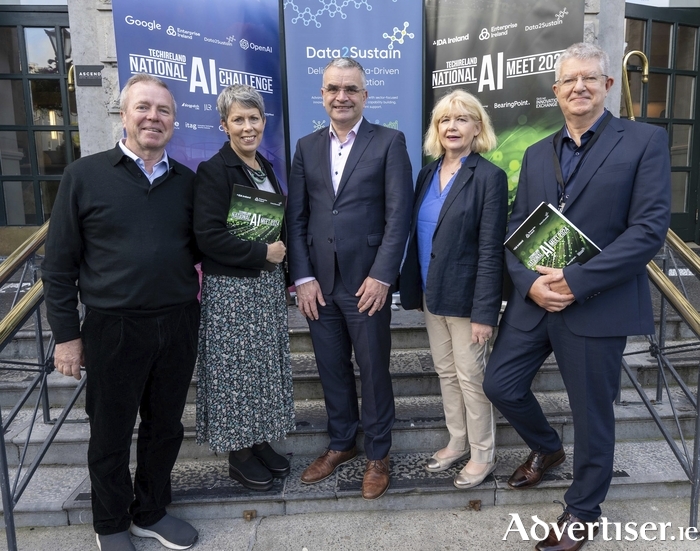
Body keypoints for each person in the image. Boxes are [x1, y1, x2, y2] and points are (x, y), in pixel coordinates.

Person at [482, 42, 671, 551]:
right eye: (569, 81)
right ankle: (548, 449)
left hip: (596, 302)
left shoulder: (645, 141)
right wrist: (530, 284)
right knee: (499, 384)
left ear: (608, 85)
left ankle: (583, 511)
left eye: (590, 78)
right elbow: (518, 230)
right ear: (557, 90)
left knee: (592, 415)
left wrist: (576, 280)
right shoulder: (537, 152)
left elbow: (648, 230)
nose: (579, 87)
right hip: (535, 300)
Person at [42, 73, 200, 551]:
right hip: (113, 327)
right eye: (144, 108)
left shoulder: (188, 183)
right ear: (123, 114)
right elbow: (58, 265)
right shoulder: (84, 175)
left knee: (165, 426)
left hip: (177, 322)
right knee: (110, 432)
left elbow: (208, 245)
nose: (153, 117)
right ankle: (110, 524)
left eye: (163, 110)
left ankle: (150, 512)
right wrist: (67, 337)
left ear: (174, 121)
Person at [287, 57, 413, 500]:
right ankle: (342, 443)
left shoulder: (390, 142)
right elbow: (297, 217)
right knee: (330, 367)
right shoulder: (305, 146)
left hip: (366, 283)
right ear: (322, 95)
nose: (341, 97)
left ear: (365, 95)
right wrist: (301, 277)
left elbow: (399, 216)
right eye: (333, 89)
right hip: (319, 284)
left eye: (351, 89)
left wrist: (383, 276)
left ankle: (379, 453)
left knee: (374, 369)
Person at [400, 89, 507, 489]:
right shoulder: (427, 173)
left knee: (471, 377)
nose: (452, 126)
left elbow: (490, 251)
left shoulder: (489, 177)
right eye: (445, 120)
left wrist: (485, 313)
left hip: (466, 301)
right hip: (432, 295)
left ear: (477, 127)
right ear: (436, 129)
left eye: (462, 119)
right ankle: (458, 440)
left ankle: (483, 453)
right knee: (446, 372)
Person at [193, 84, 294, 491]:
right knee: (235, 372)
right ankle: (238, 455)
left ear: (263, 122)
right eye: (238, 119)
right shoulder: (214, 170)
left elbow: (273, 222)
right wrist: (263, 254)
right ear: (224, 125)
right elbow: (208, 237)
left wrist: (279, 267)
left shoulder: (265, 167)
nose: (248, 126)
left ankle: (259, 441)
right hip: (232, 291)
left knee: (261, 370)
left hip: (265, 288)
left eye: (254, 118)